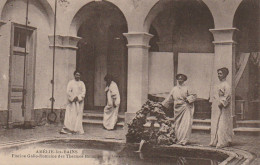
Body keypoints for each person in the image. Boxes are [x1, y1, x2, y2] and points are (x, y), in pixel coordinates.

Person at [162, 74, 197, 145]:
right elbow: (169, 97)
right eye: (178, 78)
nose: (180, 80)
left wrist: (188, 99)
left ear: (184, 80)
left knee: (185, 124)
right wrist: (162, 104)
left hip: (185, 107)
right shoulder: (174, 89)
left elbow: (193, 95)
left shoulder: (187, 88)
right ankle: (178, 138)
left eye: (181, 78)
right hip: (177, 108)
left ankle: (184, 140)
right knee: (177, 123)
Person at [209, 67, 232, 148]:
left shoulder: (227, 85)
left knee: (222, 123)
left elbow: (228, 96)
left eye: (220, 73)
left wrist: (221, 103)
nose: (219, 75)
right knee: (215, 122)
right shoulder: (217, 84)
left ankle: (223, 141)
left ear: (225, 74)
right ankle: (215, 141)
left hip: (223, 107)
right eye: (218, 73)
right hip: (216, 106)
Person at [60, 70, 86, 134]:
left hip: (79, 102)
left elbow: (83, 92)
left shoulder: (82, 83)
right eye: (76, 74)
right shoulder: (71, 82)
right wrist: (73, 98)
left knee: (78, 115)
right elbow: (68, 91)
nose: (77, 76)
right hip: (72, 102)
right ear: (74, 75)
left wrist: (79, 97)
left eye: (79, 75)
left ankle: (76, 129)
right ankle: (69, 128)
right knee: (70, 115)